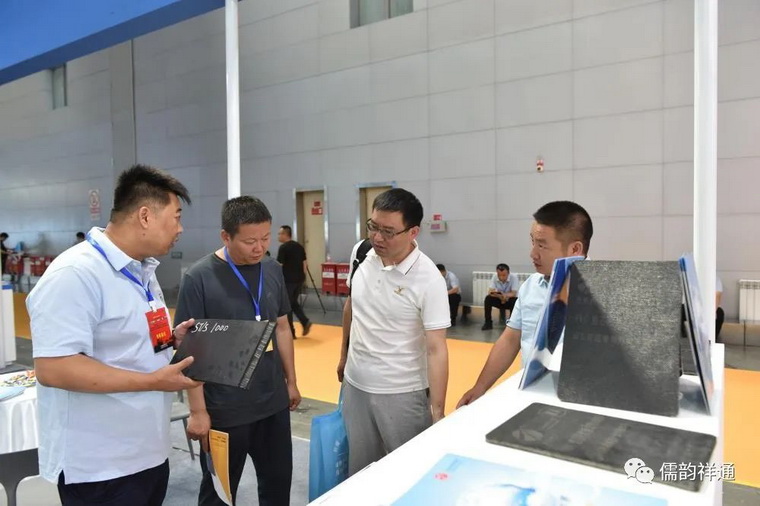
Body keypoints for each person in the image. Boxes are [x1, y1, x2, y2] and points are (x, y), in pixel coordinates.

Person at [26, 164, 201, 506]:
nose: (180, 228)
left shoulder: (142, 270)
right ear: (145, 216)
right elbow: (54, 368)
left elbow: (128, 341)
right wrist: (152, 381)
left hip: (147, 452)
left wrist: (170, 341)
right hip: (100, 467)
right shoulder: (76, 273)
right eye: (176, 217)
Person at [175, 196, 301, 506]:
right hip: (225, 408)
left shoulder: (271, 269)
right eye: (249, 241)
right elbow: (190, 352)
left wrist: (291, 381)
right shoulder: (199, 278)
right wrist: (198, 411)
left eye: (265, 238)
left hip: (271, 401)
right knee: (219, 492)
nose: (259, 248)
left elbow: (282, 327)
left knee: (277, 485)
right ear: (226, 236)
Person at [337, 188, 450, 476]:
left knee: (407, 474)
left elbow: (436, 348)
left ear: (413, 232)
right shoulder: (361, 253)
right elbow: (351, 306)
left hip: (402, 393)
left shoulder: (428, 279)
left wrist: (437, 412)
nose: (377, 238)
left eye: (388, 232)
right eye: (373, 226)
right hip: (355, 386)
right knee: (359, 472)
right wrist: (343, 356)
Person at [458, 201, 593, 408]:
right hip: (532, 395)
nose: (533, 254)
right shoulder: (531, 286)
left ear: (574, 249)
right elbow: (511, 339)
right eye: (532, 242)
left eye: (542, 245)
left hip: (580, 401)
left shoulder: (602, 293)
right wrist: (480, 387)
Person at [276, 224, 312, 337]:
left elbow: (279, 265)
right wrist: (303, 278)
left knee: (287, 306)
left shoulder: (283, 248)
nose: (278, 236)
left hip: (288, 281)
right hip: (299, 280)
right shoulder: (299, 247)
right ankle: (305, 321)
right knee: (293, 303)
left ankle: (291, 332)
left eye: (280, 233)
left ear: (285, 234)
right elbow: (305, 264)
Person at [481, 263, 519, 330]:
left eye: (504, 275)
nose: (501, 277)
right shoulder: (494, 276)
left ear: (508, 273)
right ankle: (488, 323)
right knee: (488, 299)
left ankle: (511, 325)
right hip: (499, 298)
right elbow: (490, 291)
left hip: (509, 300)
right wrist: (500, 296)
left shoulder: (514, 277)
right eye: (499, 275)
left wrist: (504, 295)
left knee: (515, 301)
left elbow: (513, 293)